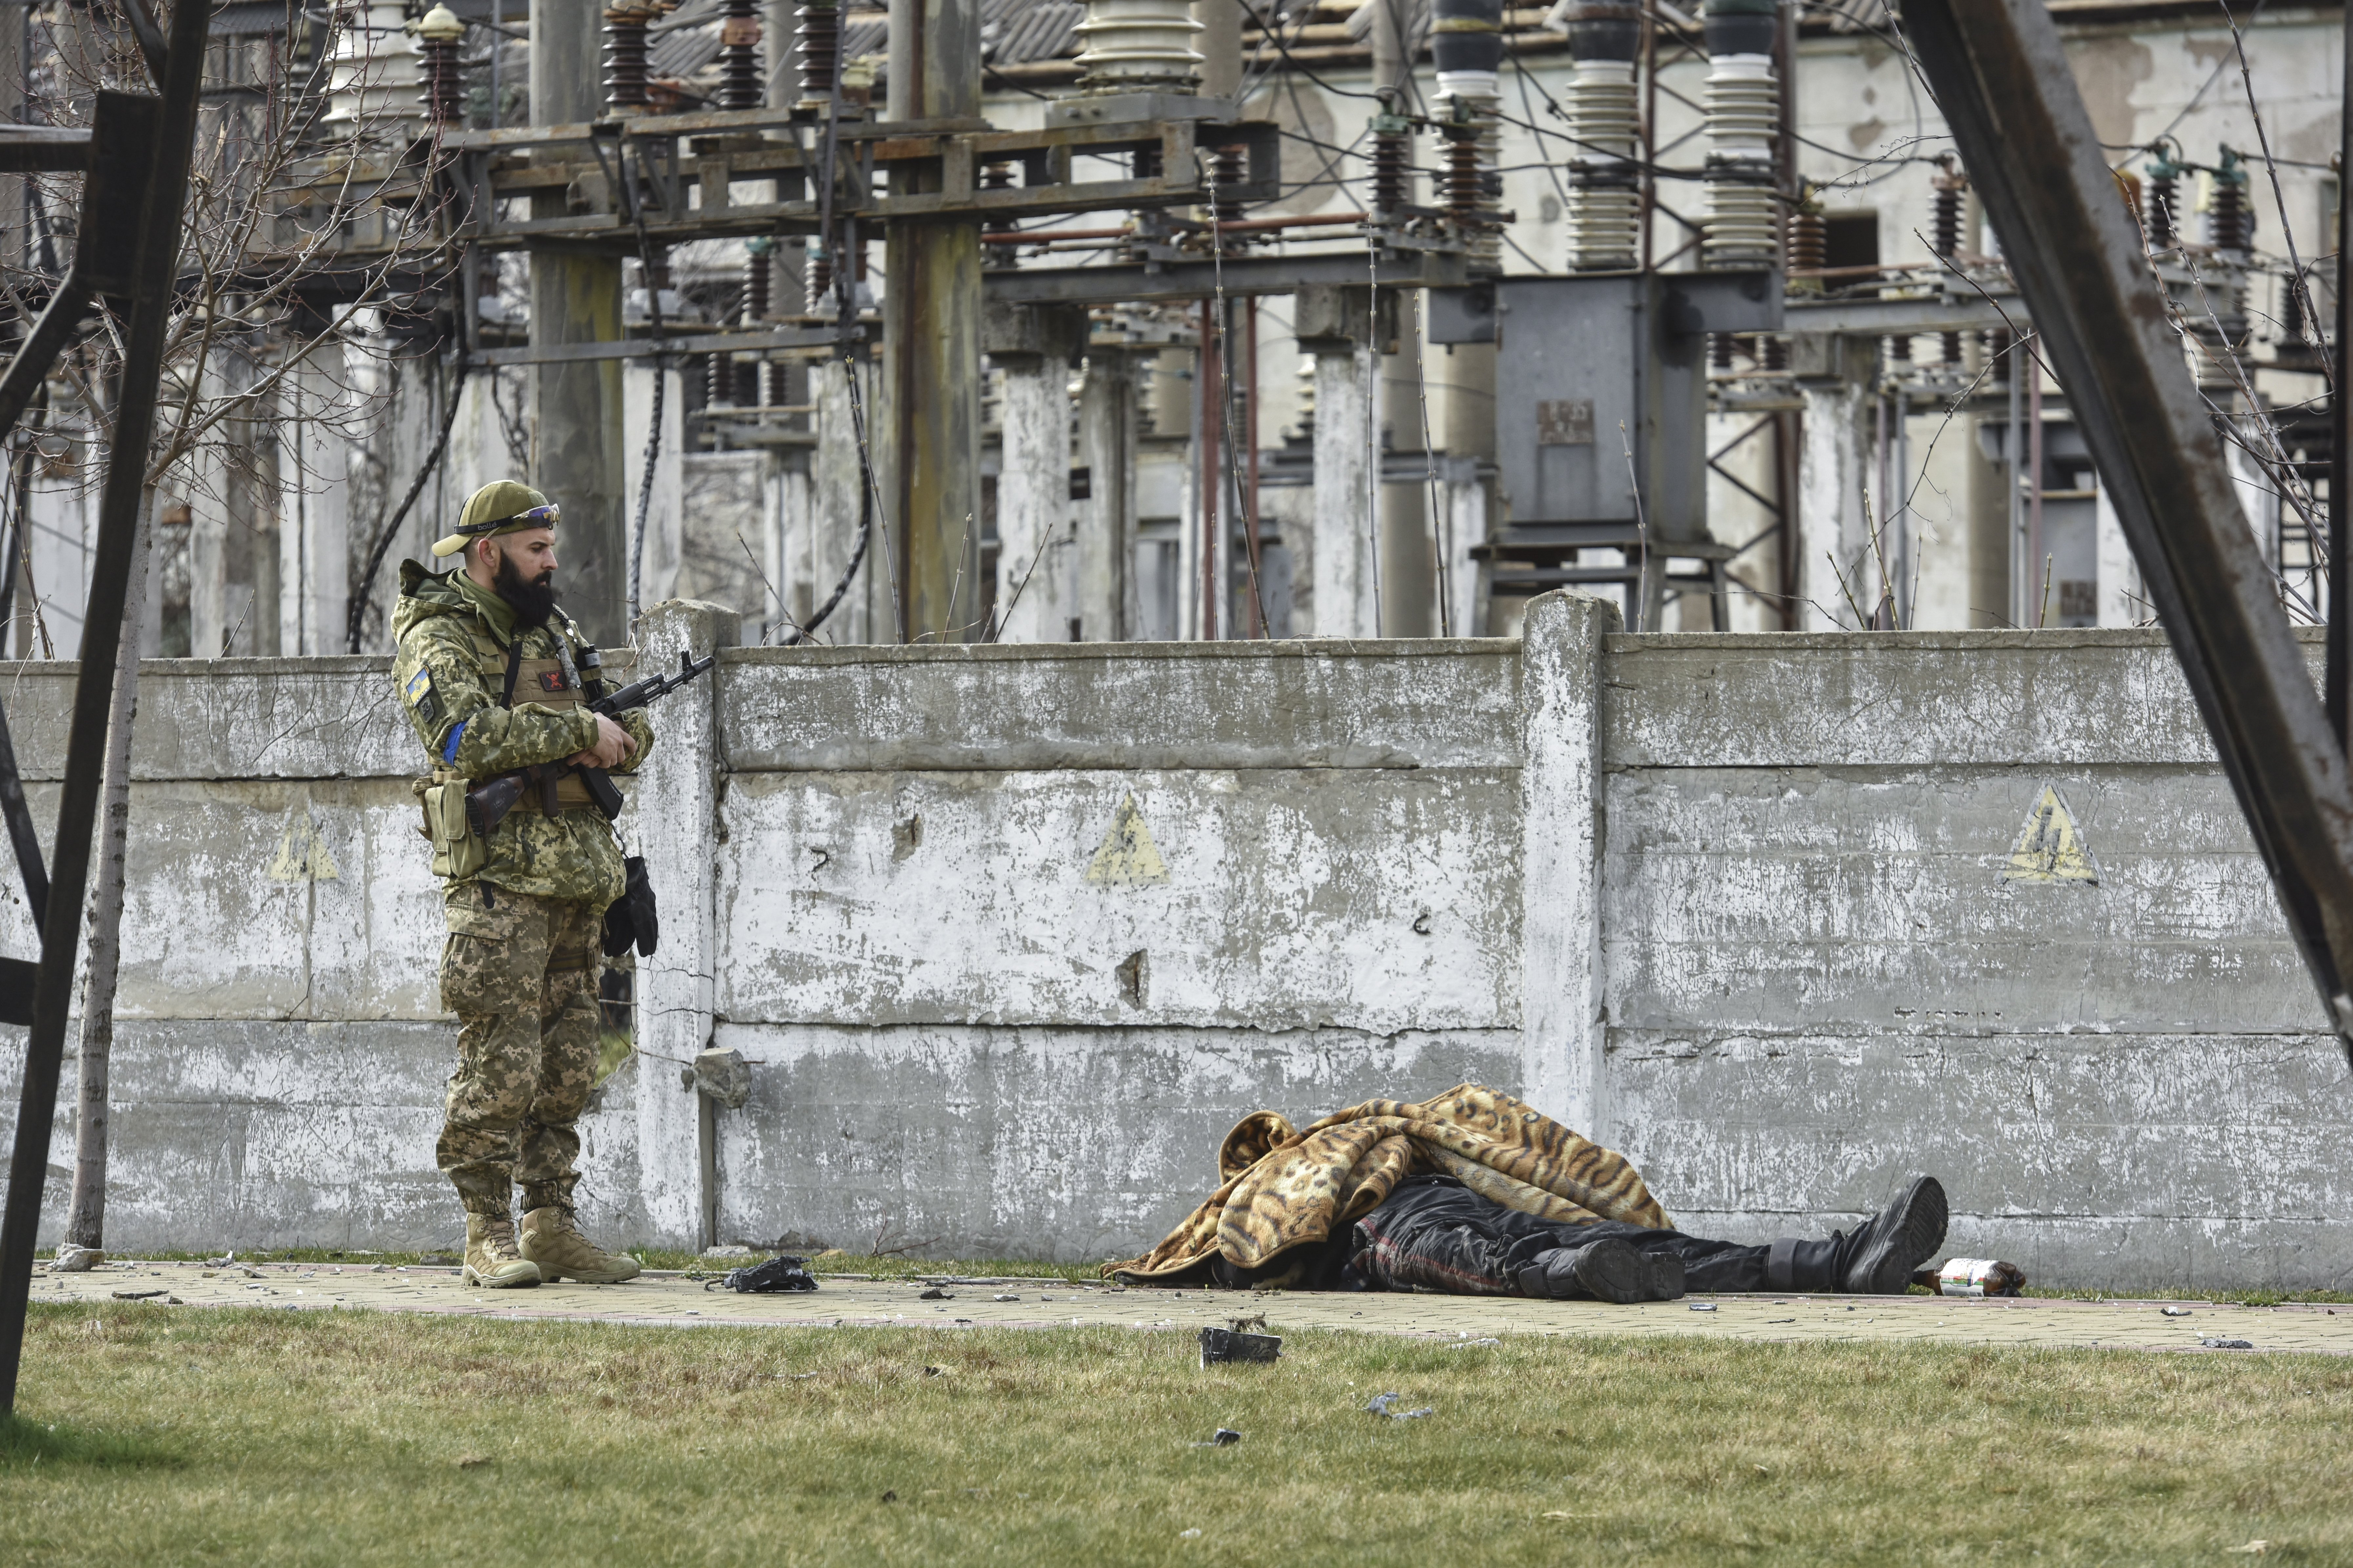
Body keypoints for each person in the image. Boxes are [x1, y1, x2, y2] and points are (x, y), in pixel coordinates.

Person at [391, 481, 654, 1289]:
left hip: (577, 878)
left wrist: (608, 738)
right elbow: (464, 735)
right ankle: (487, 1233)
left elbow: (632, 730)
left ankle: (550, 1222)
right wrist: (580, 731)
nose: (550, 563)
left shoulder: (558, 631)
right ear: (487, 552)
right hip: (501, 885)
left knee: (568, 1063)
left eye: (550, 548)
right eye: (535, 550)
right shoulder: (438, 635)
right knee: (498, 1063)